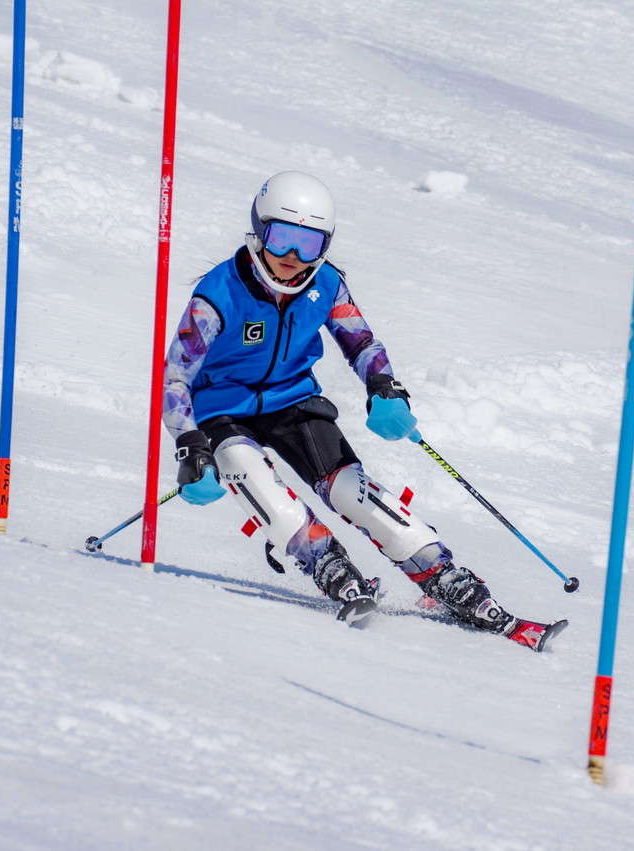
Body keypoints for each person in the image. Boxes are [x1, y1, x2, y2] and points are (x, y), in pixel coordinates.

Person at [162, 171, 564, 651]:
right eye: (282, 238)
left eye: (308, 245)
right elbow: (176, 377)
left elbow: (361, 341)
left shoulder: (327, 285)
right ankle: (325, 561)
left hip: (292, 399)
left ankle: (443, 573)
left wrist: (383, 385)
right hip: (223, 407)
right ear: (258, 231)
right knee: (245, 470)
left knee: (352, 490)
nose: (292, 258)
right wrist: (191, 444)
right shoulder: (218, 293)